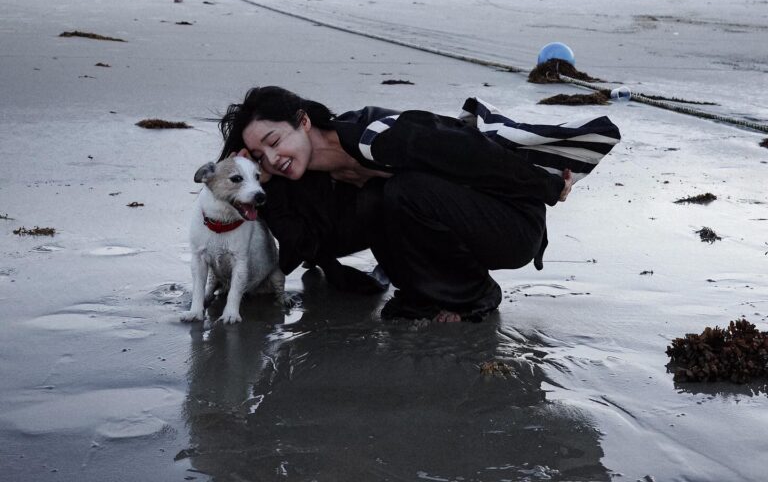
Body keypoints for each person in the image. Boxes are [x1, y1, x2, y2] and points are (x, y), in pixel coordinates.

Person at [218, 86, 620, 322]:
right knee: (382, 199)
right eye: (258, 157)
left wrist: (543, 184)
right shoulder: (311, 179)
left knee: (400, 191)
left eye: (274, 142)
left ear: (303, 121)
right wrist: (256, 184)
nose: (273, 158)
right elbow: (306, 246)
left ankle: (473, 295)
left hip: (512, 223)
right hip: (466, 221)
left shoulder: (377, 135)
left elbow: (473, 153)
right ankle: (430, 294)